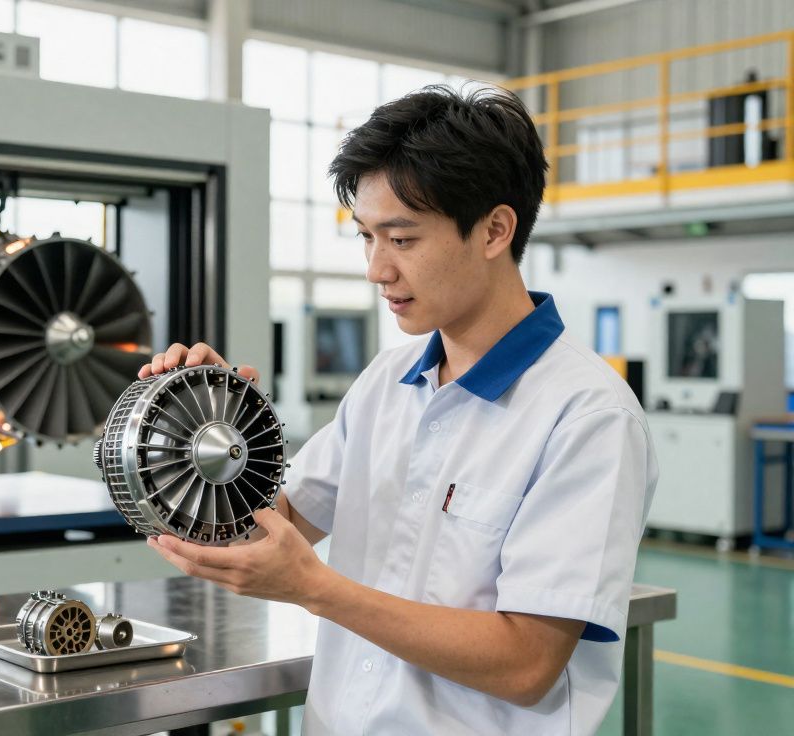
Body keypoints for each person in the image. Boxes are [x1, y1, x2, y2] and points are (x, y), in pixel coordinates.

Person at [139, 85, 658, 735]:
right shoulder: (388, 383)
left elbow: (527, 663)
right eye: (365, 237)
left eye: (402, 239)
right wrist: (209, 426)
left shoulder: (586, 418)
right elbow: (281, 525)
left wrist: (317, 590)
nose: (377, 269)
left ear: (496, 229)